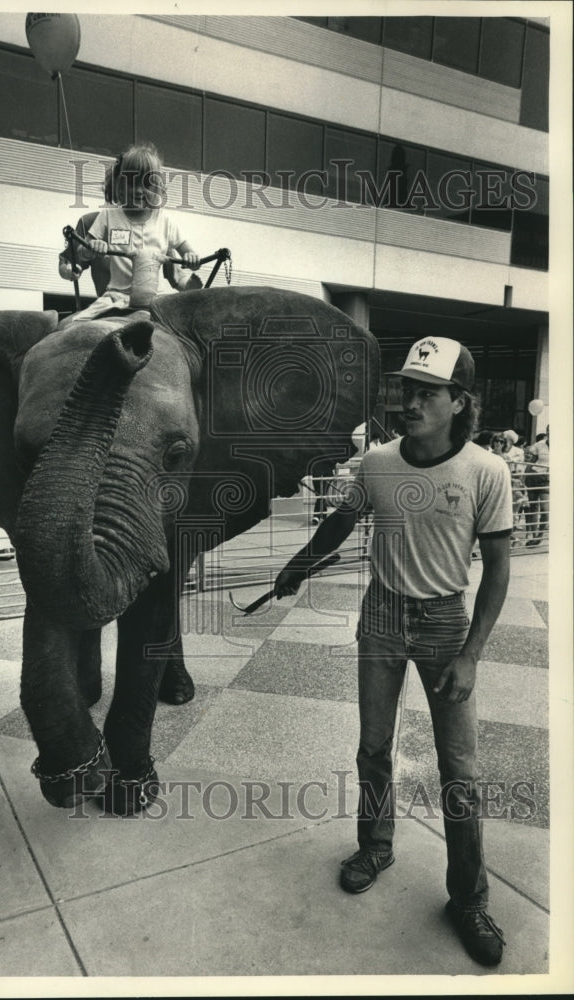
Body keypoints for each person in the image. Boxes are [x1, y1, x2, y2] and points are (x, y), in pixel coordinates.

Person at [275, 336, 512, 967]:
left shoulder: (487, 471)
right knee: (373, 746)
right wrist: (298, 565)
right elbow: (343, 518)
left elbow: (496, 569)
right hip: (381, 614)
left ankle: (468, 896)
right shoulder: (377, 463)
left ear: (459, 402)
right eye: (407, 389)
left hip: (443, 623)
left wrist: (471, 654)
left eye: (427, 392)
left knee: (458, 769)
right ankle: (375, 846)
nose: (410, 401)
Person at [60, 143, 199, 322]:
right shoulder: (107, 216)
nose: (140, 191)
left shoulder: (165, 221)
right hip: (115, 298)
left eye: (147, 184)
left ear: (157, 186)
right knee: (75, 325)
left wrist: (192, 259)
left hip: (157, 301)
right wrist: (92, 247)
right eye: (133, 184)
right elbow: (81, 254)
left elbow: (189, 256)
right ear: (119, 185)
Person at [524, 427, 549, 546]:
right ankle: (534, 537)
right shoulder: (539, 445)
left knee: (545, 509)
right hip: (534, 476)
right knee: (533, 507)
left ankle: (539, 535)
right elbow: (531, 461)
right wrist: (525, 475)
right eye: (549, 431)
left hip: (548, 480)